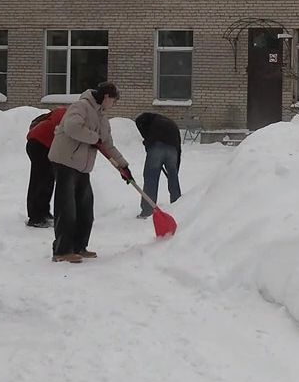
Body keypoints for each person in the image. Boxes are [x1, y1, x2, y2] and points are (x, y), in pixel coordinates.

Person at [47, 81, 132, 263]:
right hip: (65, 161)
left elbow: (107, 144)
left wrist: (123, 166)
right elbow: (72, 127)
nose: (114, 105)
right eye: (114, 101)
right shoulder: (81, 106)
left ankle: (79, 247)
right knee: (67, 208)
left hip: (81, 166)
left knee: (85, 208)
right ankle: (62, 250)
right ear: (107, 97)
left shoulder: (102, 117)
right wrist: (93, 138)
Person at [133, 109, 183, 218]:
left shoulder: (143, 119)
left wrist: (148, 144)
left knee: (151, 178)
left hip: (156, 147)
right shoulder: (170, 123)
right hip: (173, 148)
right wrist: (174, 170)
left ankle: (147, 210)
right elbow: (179, 149)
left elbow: (145, 133)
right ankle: (178, 206)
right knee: (173, 178)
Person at [26, 106, 67, 228]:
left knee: (48, 179)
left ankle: (44, 211)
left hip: (46, 146)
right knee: (39, 180)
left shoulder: (68, 114)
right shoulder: (64, 114)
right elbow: (59, 129)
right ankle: (35, 217)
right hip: (38, 145)